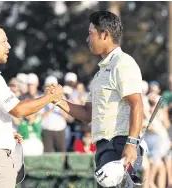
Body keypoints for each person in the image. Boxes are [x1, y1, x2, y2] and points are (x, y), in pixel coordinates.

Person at [46, 11, 144, 187]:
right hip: (104, 146)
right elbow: (87, 113)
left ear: (105, 35)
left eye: (91, 33)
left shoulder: (123, 64)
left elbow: (136, 103)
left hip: (119, 145)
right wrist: (58, 100)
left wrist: (131, 144)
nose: (87, 39)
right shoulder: (100, 73)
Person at [0, 21, 63, 188]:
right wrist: (50, 97)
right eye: (3, 41)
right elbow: (18, 110)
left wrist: (2, 132)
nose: (8, 46)